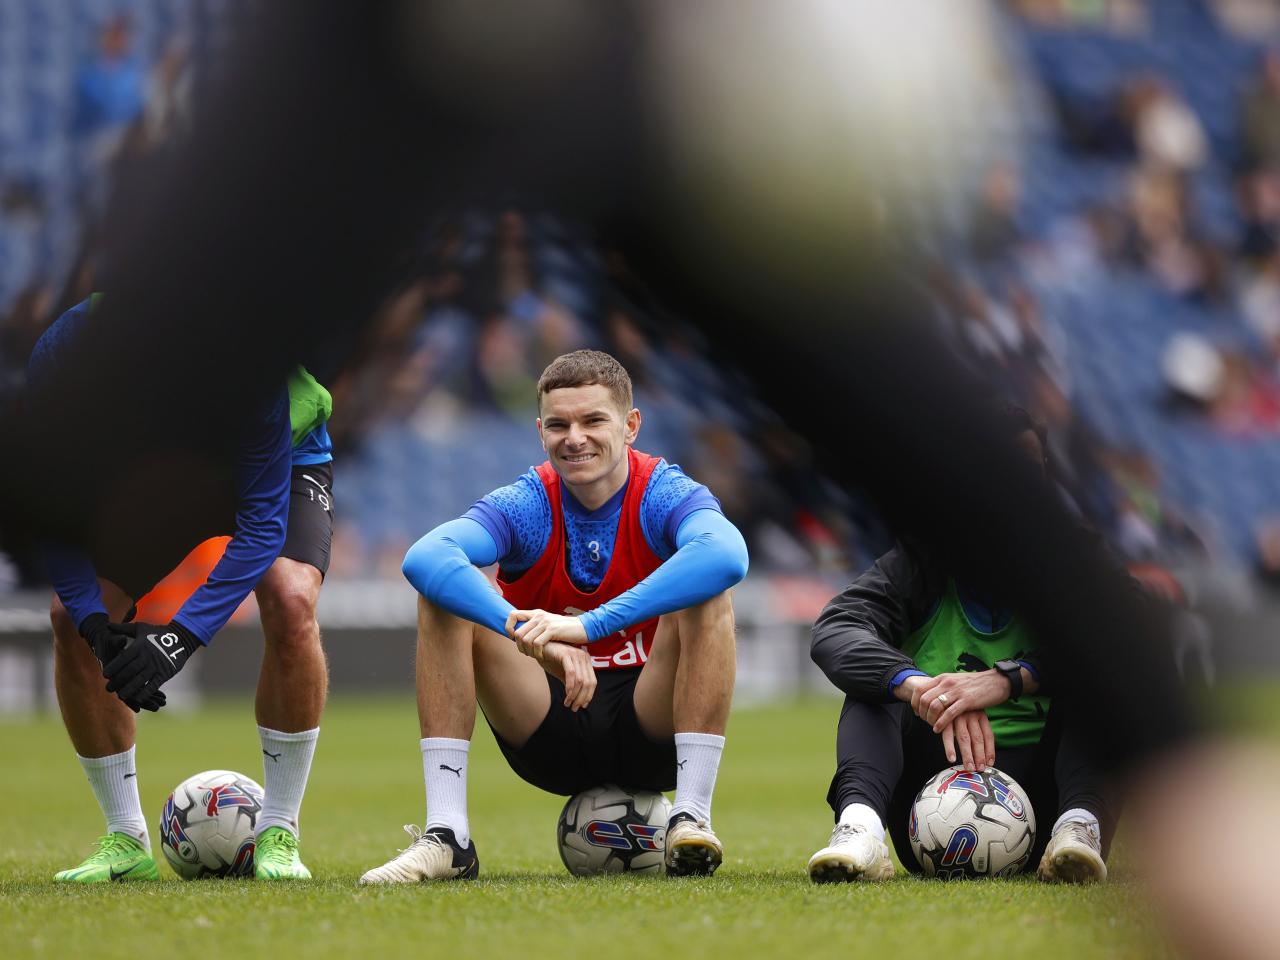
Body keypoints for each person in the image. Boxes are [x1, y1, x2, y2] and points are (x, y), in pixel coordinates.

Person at [360, 350, 747, 883]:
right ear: (540, 430)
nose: (575, 437)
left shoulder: (662, 491)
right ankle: (448, 836)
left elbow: (728, 556)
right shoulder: (529, 502)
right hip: (551, 720)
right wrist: (531, 636)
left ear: (631, 426)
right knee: (443, 594)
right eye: (559, 424)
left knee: (710, 592)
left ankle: (691, 816)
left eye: (594, 420)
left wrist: (589, 626)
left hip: (654, 723)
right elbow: (425, 556)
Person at [37, 296, 335, 883]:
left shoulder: (247, 363)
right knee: (69, 620)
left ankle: (278, 830)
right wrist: (97, 625)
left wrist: (176, 642)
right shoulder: (63, 359)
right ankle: (125, 840)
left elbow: (260, 531)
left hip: (281, 456)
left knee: (291, 597)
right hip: (161, 480)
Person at [806, 407, 1114, 884]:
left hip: (1048, 795)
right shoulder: (919, 561)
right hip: (926, 806)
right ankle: (860, 830)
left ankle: (1080, 827)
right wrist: (923, 689)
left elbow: (1130, 641)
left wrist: (1007, 680)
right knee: (876, 682)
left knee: (1107, 678)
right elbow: (835, 629)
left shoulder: (1076, 561)